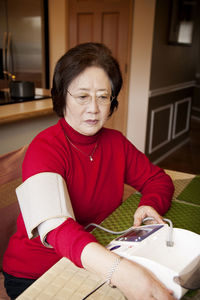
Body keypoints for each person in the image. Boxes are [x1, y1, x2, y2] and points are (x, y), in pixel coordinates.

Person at [3, 42, 175, 300]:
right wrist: (124, 273)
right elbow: (55, 227)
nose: (94, 108)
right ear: (62, 96)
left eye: (103, 96)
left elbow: (157, 179)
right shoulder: (44, 147)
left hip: (93, 256)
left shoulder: (116, 142)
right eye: (82, 96)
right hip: (36, 272)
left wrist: (149, 204)